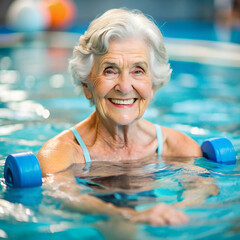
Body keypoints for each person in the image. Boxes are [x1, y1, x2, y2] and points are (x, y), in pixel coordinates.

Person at [37, 8, 205, 226]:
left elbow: (204, 187)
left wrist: (176, 212)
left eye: (138, 71)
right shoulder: (61, 156)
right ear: (87, 85)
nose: (125, 87)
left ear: (153, 85)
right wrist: (129, 217)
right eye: (110, 70)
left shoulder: (178, 147)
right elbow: (64, 196)